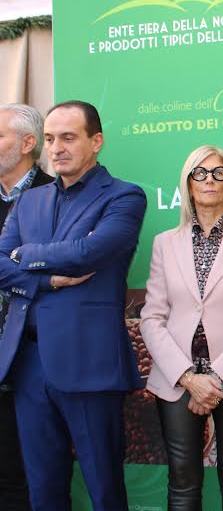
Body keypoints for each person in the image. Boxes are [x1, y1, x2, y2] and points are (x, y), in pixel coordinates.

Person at [0, 100, 146, 511]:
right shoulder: (28, 201)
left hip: (90, 363)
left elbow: (87, 253)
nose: (56, 148)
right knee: (42, 491)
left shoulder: (124, 196)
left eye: (68, 137)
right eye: (49, 139)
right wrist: (46, 279)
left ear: (96, 141)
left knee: (104, 490)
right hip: (28, 365)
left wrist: (25, 254)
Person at [140, 145, 223, 511]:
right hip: (177, 379)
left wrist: (216, 381)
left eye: (218, 173)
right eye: (199, 173)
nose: (209, 180)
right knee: (182, 481)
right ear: (188, 184)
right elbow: (152, 318)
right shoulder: (164, 244)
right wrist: (188, 378)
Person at [0, 104, 53, 511]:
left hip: (33, 355)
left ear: (27, 143)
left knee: (28, 475)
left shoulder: (57, 194)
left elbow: (59, 263)